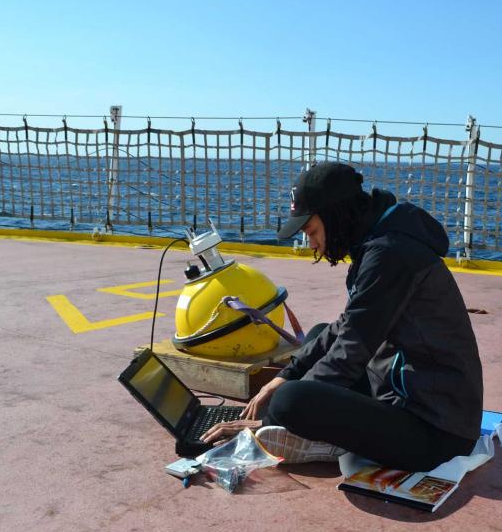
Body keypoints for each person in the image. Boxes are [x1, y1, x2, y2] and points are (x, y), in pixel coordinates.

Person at [201, 162, 483, 472]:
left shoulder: (390, 254)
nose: (311, 244)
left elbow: (352, 350)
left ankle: (323, 439)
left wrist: (266, 421)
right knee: (319, 334)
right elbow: (345, 327)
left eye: (312, 231)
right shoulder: (381, 240)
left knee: (290, 402)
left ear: (335, 215)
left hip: (437, 430)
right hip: (405, 390)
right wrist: (287, 375)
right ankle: (318, 426)